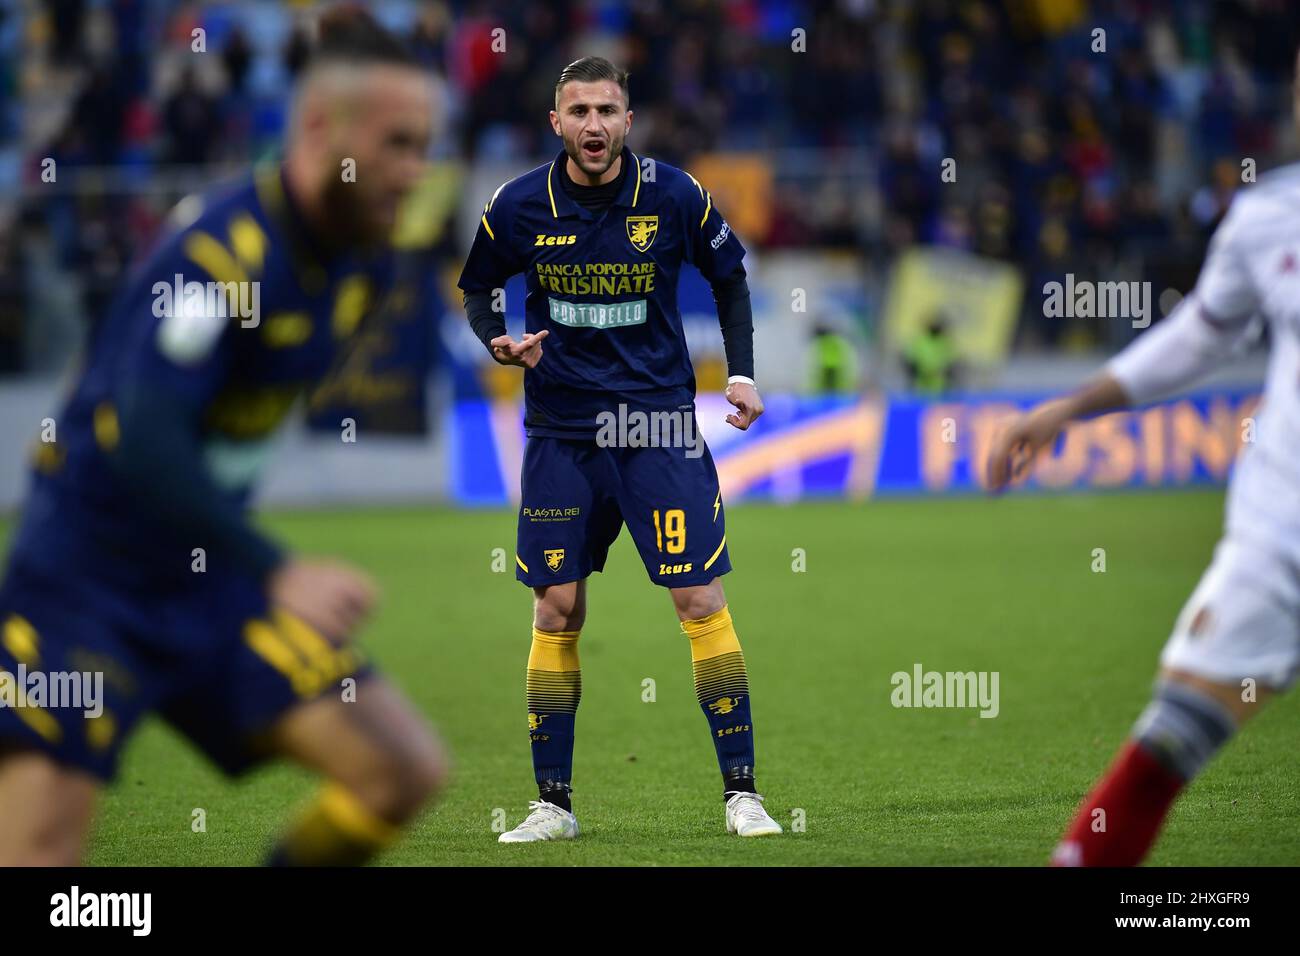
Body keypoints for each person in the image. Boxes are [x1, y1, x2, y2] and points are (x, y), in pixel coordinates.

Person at [0, 7, 446, 866]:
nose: (414, 172)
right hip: (86, 584)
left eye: (423, 146)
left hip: (207, 587)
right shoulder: (218, 258)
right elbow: (145, 435)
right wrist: (279, 566)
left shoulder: (365, 263)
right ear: (322, 129)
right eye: (397, 144)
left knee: (400, 770)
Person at [987, 50, 1300, 865]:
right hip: (1282, 528)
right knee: (1170, 735)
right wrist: (1067, 409)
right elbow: (1201, 332)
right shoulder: (1268, 217)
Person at [459, 56, 782, 842]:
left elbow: (730, 276)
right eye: (579, 111)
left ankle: (742, 795)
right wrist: (495, 341)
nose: (594, 125)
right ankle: (554, 806)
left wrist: (739, 373)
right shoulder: (518, 204)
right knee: (555, 606)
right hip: (563, 432)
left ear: (628, 121)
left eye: (608, 110)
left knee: (699, 600)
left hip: (659, 428)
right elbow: (477, 286)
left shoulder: (673, 194)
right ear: (556, 122)